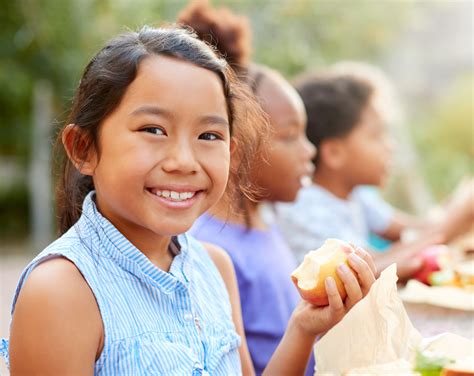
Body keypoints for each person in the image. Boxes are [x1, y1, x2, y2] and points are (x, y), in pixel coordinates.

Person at [0, 26, 376, 375]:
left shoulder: (214, 266)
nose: (184, 161)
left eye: (209, 135)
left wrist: (303, 327)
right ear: (84, 148)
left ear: (232, 149)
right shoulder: (61, 292)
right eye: (153, 130)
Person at [178, 2, 328, 374]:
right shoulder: (211, 250)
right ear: (240, 146)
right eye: (291, 136)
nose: (310, 151)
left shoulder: (265, 223)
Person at [276, 71, 471, 280]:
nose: (390, 146)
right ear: (334, 153)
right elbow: (366, 272)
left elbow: (415, 229)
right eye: (377, 135)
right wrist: (461, 214)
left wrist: (458, 208)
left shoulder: (355, 194)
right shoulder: (306, 207)